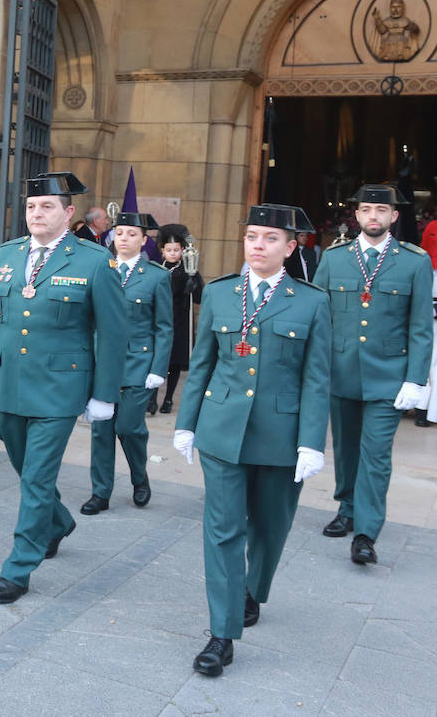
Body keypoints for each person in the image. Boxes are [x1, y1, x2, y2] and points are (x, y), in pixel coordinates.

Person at [173, 203, 330, 677]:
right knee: (222, 530)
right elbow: (202, 363)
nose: (257, 246)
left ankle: (251, 589)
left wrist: (311, 442)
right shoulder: (222, 294)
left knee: (271, 525)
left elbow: (316, 378)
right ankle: (222, 634)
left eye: (269, 239)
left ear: (290, 246)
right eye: (252, 237)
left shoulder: (311, 301)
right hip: (223, 431)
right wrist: (186, 422)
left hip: (281, 435)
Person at [0, 171, 126, 604]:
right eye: (32, 207)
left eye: (47, 207)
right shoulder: (6, 253)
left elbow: (112, 333)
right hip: (10, 383)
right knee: (23, 465)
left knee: (36, 478)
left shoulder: (94, 260)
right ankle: (57, 522)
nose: (37, 213)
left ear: (68, 212)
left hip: (60, 388)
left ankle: (18, 568)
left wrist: (104, 394)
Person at [312, 184, 432, 565]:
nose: (373, 216)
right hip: (341, 372)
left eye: (381, 210)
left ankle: (365, 531)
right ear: (357, 215)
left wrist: (416, 380)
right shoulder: (334, 259)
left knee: (376, 454)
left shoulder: (414, 262)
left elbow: (420, 328)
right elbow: (317, 319)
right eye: (366, 210)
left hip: (388, 377)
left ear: (394, 216)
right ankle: (346, 508)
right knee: (346, 450)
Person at [82, 211, 171, 516]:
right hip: (102, 363)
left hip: (137, 362)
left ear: (144, 241)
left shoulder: (157, 276)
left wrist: (158, 369)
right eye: (119, 233)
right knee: (101, 429)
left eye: (132, 234)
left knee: (129, 427)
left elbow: (164, 327)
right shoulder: (99, 268)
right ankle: (101, 492)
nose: (124, 239)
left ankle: (139, 477)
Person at [155, 224, 202, 416]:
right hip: (159, 319)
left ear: (182, 250)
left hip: (180, 320)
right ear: (163, 251)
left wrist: (193, 285)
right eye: (169, 250)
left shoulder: (189, 270)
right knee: (158, 359)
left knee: (174, 361)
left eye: (176, 250)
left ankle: (168, 398)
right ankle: (151, 397)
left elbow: (199, 298)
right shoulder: (157, 269)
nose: (173, 253)